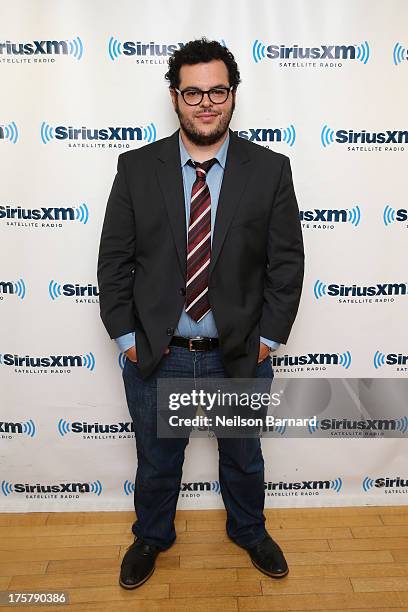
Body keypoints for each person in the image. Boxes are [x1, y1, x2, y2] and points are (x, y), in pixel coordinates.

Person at [97, 37, 304, 590]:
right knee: (157, 461)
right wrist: (126, 338)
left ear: (233, 95)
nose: (206, 102)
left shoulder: (269, 170)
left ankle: (250, 531)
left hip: (237, 353)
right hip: (158, 355)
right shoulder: (137, 168)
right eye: (194, 92)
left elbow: (286, 263)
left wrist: (269, 340)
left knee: (243, 459)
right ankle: (151, 537)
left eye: (218, 91)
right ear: (175, 97)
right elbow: (114, 260)